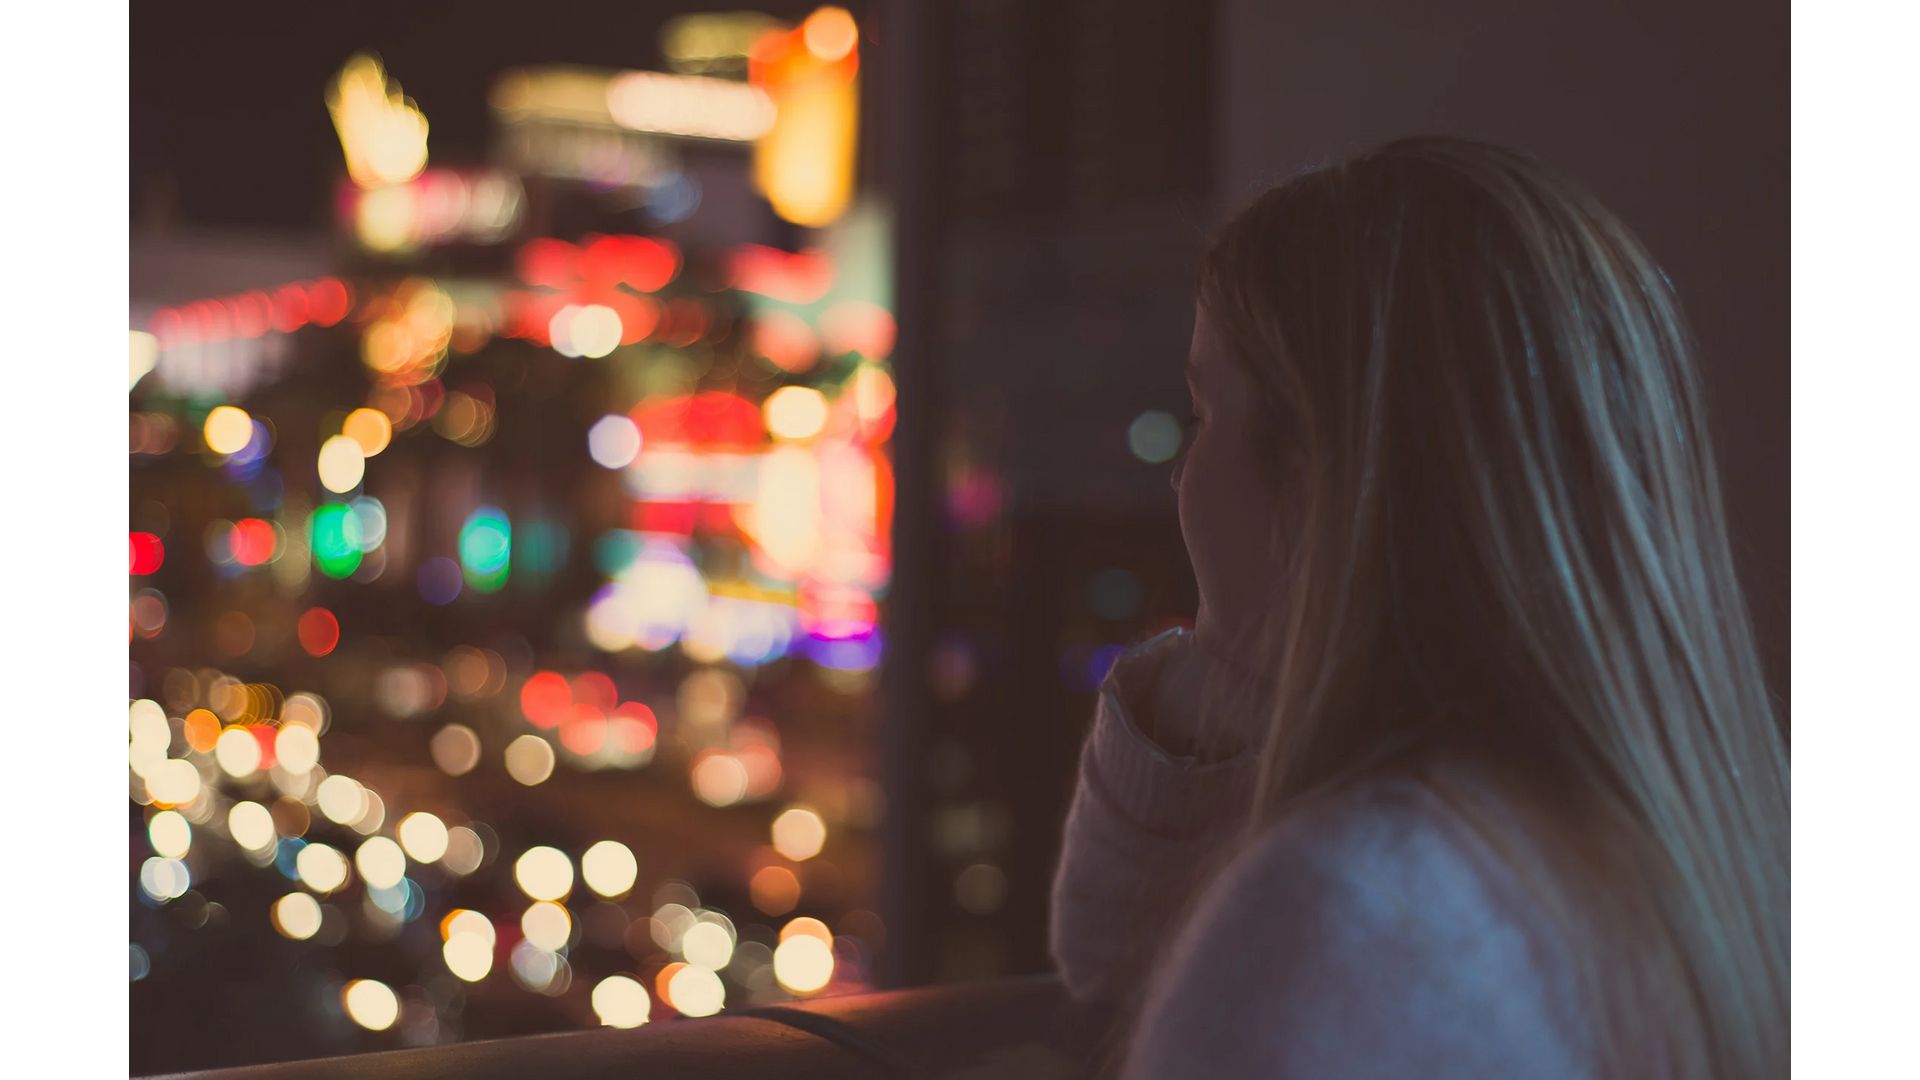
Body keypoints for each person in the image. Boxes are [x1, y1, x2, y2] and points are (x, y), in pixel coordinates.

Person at [1049, 136, 1789, 1078]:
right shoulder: (1751, 849)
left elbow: (1109, 991)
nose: (1183, 478)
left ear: (1318, 468)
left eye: (1202, 417)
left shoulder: (1341, 928)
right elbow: (1111, 973)